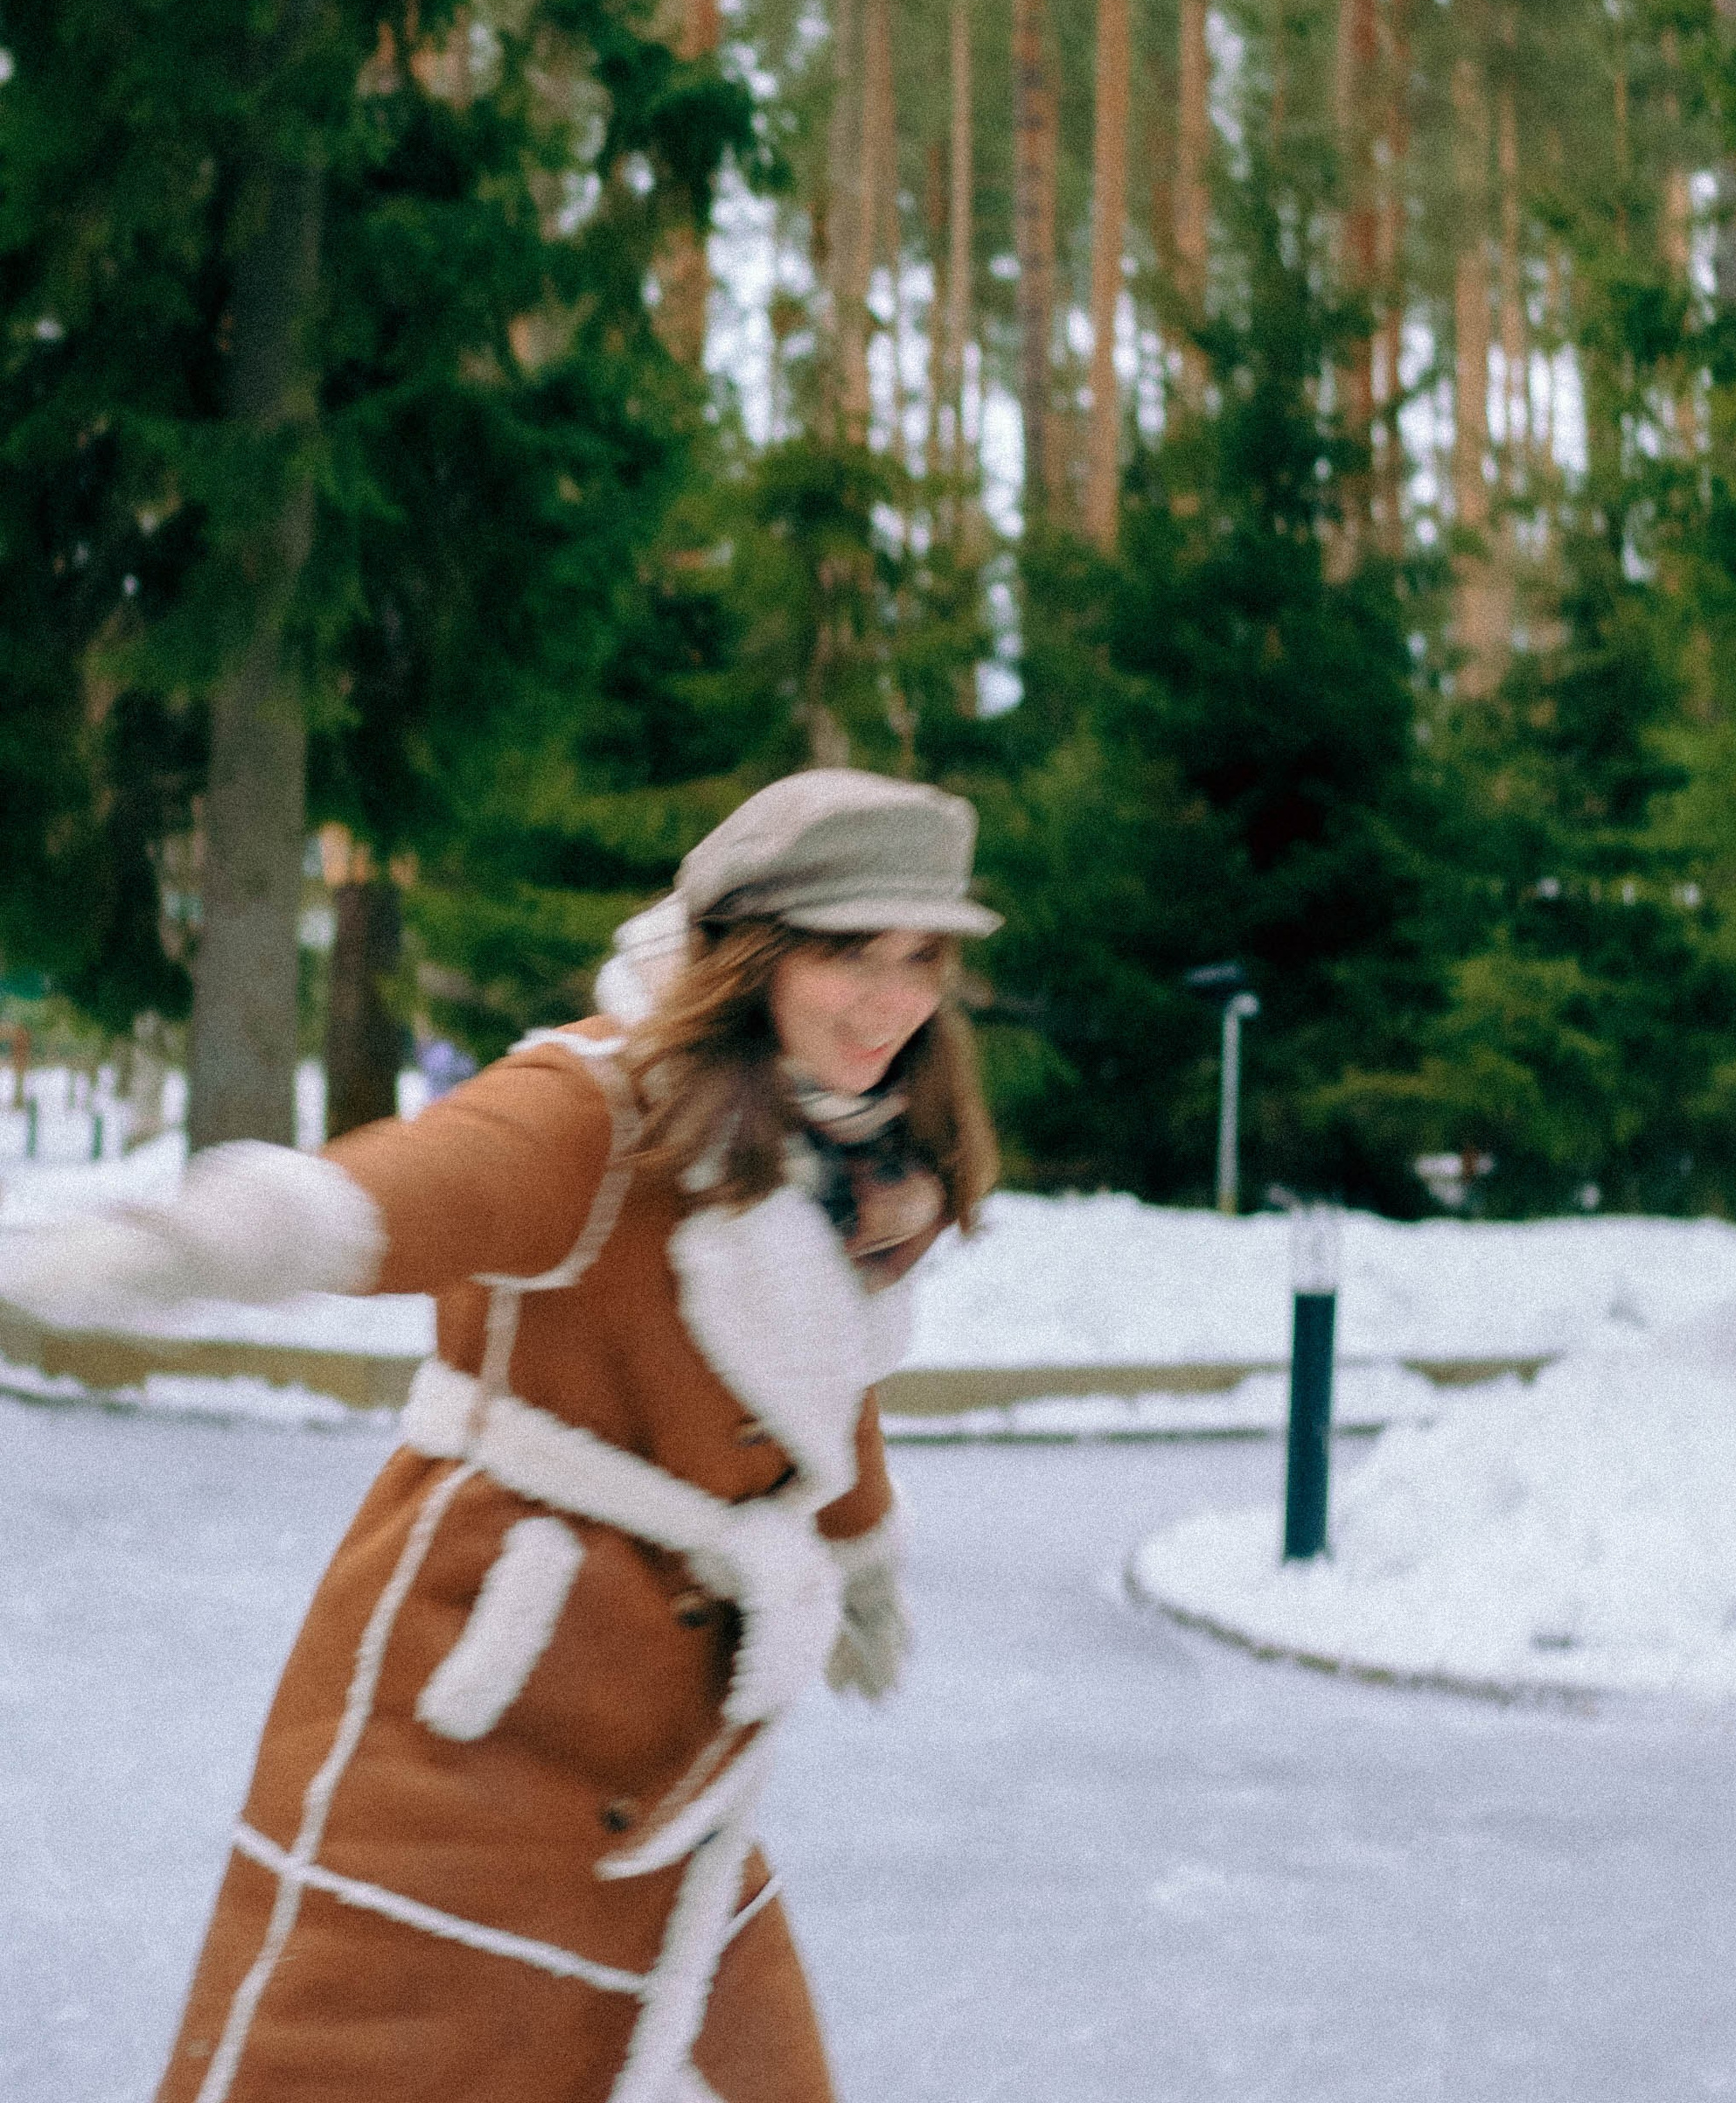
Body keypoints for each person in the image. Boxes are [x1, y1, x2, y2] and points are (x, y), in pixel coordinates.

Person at [0, 767, 1000, 2103]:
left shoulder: (859, 1158)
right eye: (849, 955)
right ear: (749, 950)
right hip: (476, 1716)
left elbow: (825, 1382)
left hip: (668, 1751)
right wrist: (173, 1248)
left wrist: (861, 1552)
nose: (892, 1002)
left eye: (921, 959)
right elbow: (392, 1194)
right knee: (343, 2062)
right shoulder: (603, 1107)